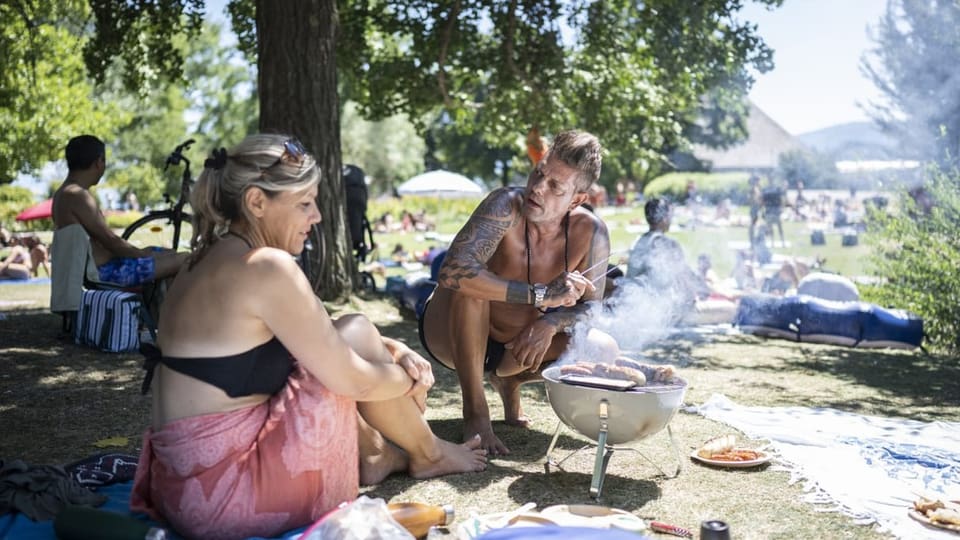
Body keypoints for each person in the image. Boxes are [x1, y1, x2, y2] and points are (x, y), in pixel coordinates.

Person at [131, 134, 486, 540]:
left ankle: (380, 454)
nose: (316, 216)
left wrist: (393, 347)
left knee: (351, 329)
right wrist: (411, 379)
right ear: (256, 203)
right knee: (352, 337)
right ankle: (429, 453)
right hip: (227, 500)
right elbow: (353, 379)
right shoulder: (265, 265)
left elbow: (311, 327)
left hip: (182, 492)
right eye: (304, 203)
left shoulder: (206, 258)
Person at [419, 130, 617, 455]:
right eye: (540, 172)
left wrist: (551, 323)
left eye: (555, 187)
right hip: (448, 335)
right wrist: (541, 295)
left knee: (603, 348)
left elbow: (590, 310)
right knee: (473, 285)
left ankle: (511, 381)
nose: (538, 188)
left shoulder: (592, 232)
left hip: (515, 351)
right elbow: (453, 272)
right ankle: (476, 413)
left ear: (577, 200)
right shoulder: (506, 205)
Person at [51, 135, 187, 287]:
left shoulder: (63, 194)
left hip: (97, 269)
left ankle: (161, 307)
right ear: (99, 162)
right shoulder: (77, 195)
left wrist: (145, 253)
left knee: (167, 253)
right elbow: (110, 241)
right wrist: (142, 255)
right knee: (185, 259)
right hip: (104, 273)